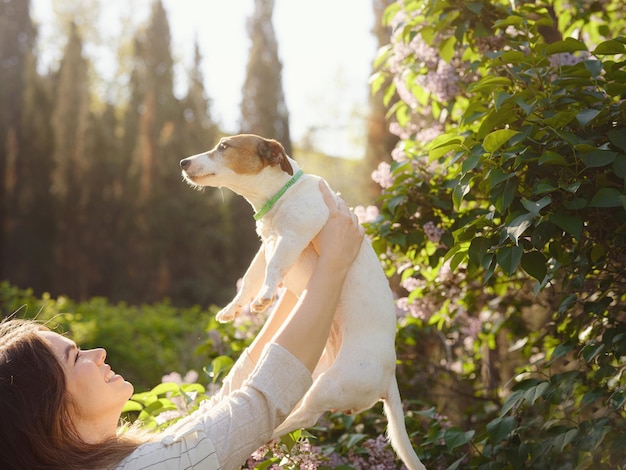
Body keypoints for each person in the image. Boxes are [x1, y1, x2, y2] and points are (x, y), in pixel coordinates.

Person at [0, 181, 364, 470]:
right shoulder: (149, 466)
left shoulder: (129, 460)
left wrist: (296, 290)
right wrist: (332, 263)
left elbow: (228, 402)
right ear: (48, 410)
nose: (98, 354)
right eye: (75, 357)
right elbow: (262, 401)